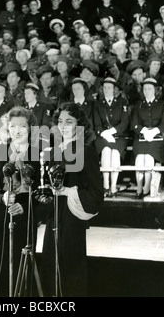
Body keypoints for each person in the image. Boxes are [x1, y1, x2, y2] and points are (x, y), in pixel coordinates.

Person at [40, 102, 104, 297]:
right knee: (50, 267)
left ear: (79, 124)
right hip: (54, 217)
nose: (63, 126)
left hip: (73, 218)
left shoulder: (86, 151)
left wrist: (68, 191)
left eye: (69, 121)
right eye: (60, 122)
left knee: (71, 272)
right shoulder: (55, 152)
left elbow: (96, 195)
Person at [0, 106, 41, 297]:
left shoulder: (36, 153)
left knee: (22, 262)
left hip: (24, 212)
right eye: (13, 126)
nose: (17, 130)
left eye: (22, 126)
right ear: (8, 127)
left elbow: (38, 190)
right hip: (1, 209)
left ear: (29, 128)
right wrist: (2, 197)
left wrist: (23, 207)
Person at [131, 78, 164, 199]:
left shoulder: (162, 104)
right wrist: (144, 131)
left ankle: (146, 188)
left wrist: (153, 132)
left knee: (148, 158)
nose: (147, 91)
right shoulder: (139, 105)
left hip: (157, 139)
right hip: (141, 138)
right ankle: (139, 187)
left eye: (149, 89)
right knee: (139, 159)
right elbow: (134, 124)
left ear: (155, 90)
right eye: (145, 89)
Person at [94, 77, 129, 197]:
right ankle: (106, 185)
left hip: (119, 136)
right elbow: (97, 123)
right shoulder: (98, 104)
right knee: (106, 151)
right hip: (103, 137)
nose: (106, 90)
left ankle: (113, 186)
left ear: (114, 89)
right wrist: (104, 133)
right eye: (104, 87)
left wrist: (113, 131)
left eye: (109, 87)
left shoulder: (122, 102)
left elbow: (124, 122)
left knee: (115, 154)